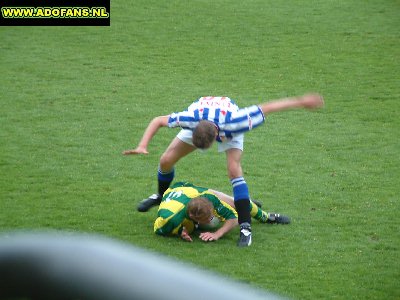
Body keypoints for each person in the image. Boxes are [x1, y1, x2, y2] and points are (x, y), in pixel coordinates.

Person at [123, 93, 324, 247]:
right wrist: (142, 145)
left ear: (217, 136)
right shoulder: (191, 119)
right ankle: (160, 194)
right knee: (166, 160)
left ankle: (245, 228)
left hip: (228, 126)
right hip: (203, 122)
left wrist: (302, 102)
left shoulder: (237, 122)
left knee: (234, 170)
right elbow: (158, 120)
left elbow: (268, 107)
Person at [153, 181, 290, 243]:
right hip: (174, 197)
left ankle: (266, 216)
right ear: (192, 216)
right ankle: (246, 202)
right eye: (207, 218)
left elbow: (234, 217)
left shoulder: (208, 197)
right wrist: (178, 231)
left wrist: (217, 234)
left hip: (188, 190)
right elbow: (158, 228)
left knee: (239, 204)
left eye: (211, 214)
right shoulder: (170, 219)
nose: (212, 219)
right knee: (188, 227)